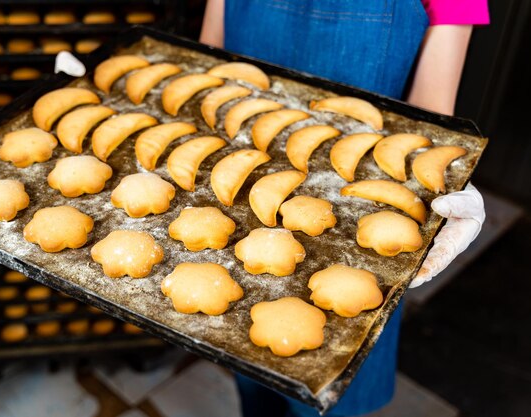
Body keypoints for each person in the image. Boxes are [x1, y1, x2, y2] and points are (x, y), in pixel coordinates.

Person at [199, 1, 489, 416]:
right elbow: (210, 59)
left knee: (333, 391)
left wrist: (441, 181)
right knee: (254, 368)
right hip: (242, 198)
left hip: (360, 227)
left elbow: (427, 121)